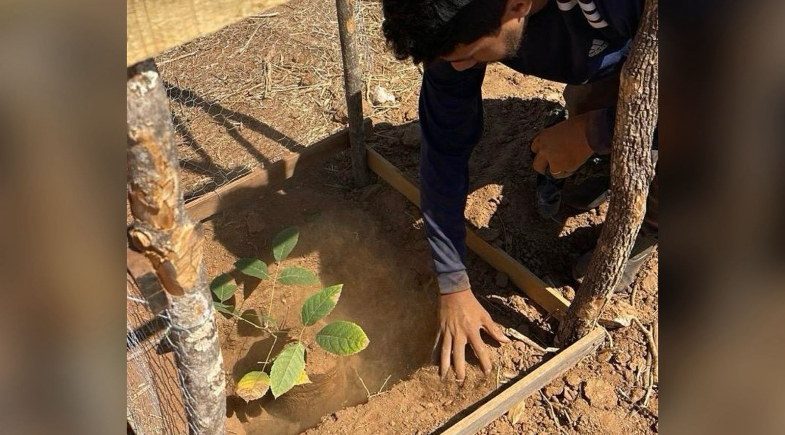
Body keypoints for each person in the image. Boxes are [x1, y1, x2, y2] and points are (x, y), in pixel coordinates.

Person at [380, 0, 658, 382]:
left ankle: (653, 220)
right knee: (588, 99)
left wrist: (594, 132)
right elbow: (445, 148)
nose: (461, 66)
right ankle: (604, 157)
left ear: (518, 6)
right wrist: (452, 284)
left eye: (473, 55)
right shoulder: (460, 21)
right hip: (614, 52)